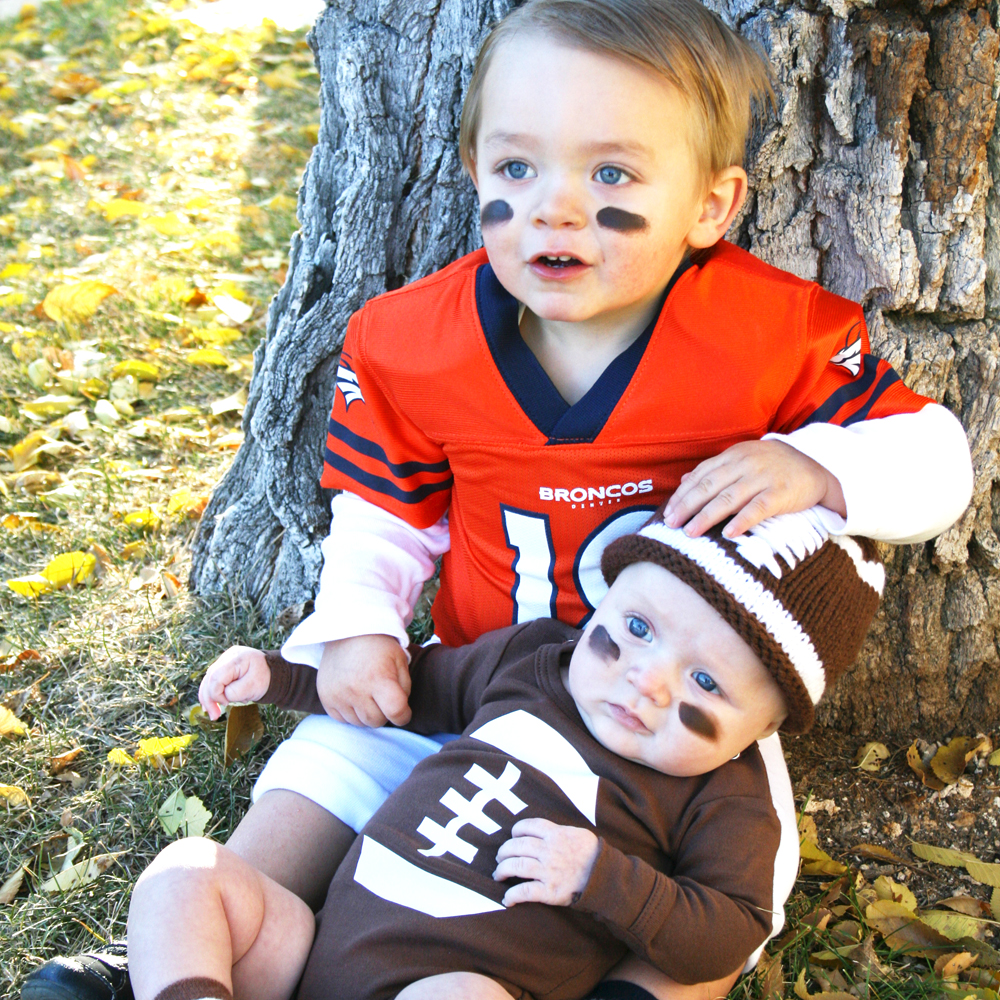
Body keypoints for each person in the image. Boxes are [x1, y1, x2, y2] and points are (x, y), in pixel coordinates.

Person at [22, 0, 973, 997]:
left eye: (611, 173)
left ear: (709, 205)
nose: (554, 207)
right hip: (474, 676)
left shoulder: (771, 336)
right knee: (334, 750)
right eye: (518, 168)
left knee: (736, 880)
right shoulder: (414, 339)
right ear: (474, 170)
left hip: (657, 720)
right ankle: (195, 954)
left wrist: (825, 468)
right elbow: (385, 508)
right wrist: (355, 625)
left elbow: (935, 454)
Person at [124, 506, 885, 1000]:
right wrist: (287, 679)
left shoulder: (726, 797)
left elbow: (727, 930)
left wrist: (601, 877)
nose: (643, 682)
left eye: (707, 680)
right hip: (312, 956)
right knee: (189, 873)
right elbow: (405, 690)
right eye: (640, 630)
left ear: (762, 728)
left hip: (456, 986)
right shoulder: (534, 658)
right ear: (606, 602)